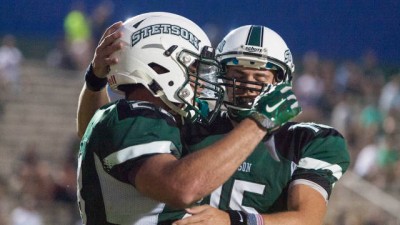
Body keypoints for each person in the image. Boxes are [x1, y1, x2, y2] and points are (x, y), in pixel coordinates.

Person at [77, 13, 300, 225]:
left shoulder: (129, 118)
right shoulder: (136, 116)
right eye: (194, 68)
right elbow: (181, 188)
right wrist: (260, 122)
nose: (201, 83)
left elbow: (91, 130)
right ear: (159, 65)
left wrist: (95, 81)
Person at [171, 25, 350, 225]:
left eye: (259, 78)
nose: (248, 86)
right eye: (238, 76)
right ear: (220, 77)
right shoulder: (190, 125)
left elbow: (306, 219)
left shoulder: (307, 141)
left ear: (280, 82)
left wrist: (231, 221)